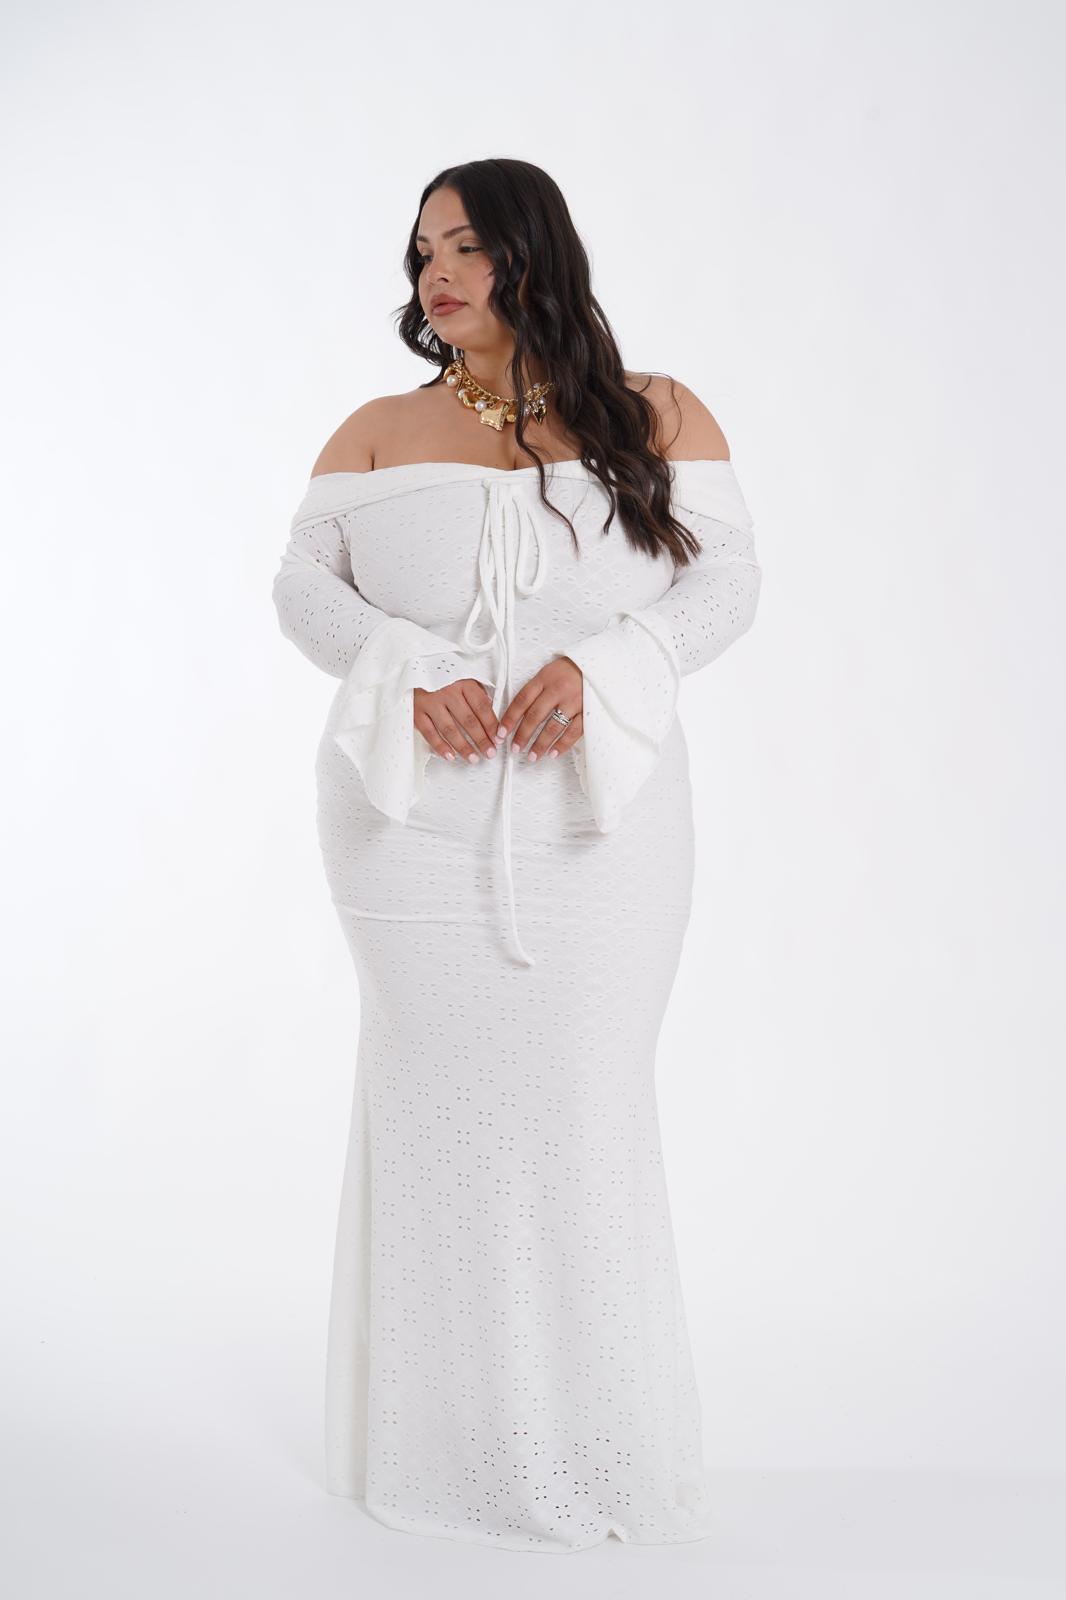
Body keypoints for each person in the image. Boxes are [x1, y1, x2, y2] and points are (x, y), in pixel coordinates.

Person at [271, 158, 762, 1554]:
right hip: (406, 830)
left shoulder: (658, 412)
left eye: (467, 245)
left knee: (583, 1108)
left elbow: (727, 578)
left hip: (600, 826)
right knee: (436, 1111)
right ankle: (441, 1451)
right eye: (423, 249)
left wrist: (612, 661)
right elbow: (300, 588)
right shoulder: (376, 428)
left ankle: (595, 1447)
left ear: (533, 254)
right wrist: (403, 665)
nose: (437, 272)